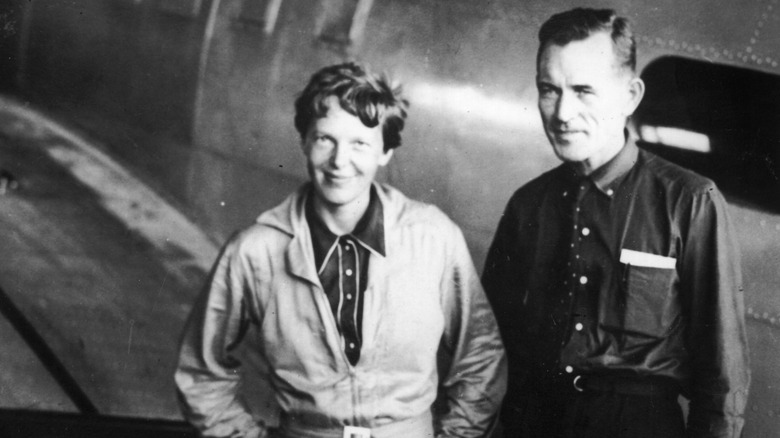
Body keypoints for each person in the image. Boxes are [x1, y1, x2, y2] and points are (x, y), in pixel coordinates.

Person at [175, 62, 507, 438]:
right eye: (324, 139)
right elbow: (199, 373)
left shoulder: (433, 238)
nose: (339, 161)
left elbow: (481, 358)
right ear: (303, 140)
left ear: (386, 152)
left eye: (360, 143)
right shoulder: (255, 251)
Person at [482, 8, 749, 438]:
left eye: (584, 90)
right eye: (549, 90)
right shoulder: (527, 206)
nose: (563, 112)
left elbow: (722, 379)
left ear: (630, 95)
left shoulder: (690, 202)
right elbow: (486, 349)